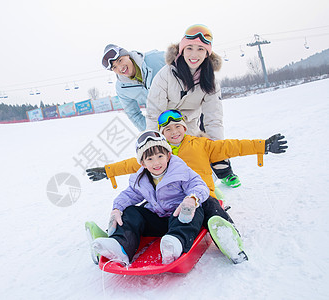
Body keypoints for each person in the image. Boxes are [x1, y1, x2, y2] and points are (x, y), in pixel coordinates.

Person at [86, 109, 288, 264]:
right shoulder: (156, 153)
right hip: (168, 207)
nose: (174, 132)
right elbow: (131, 166)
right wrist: (107, 171)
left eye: (177, 127)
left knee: (211, 208)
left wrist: (263, 145)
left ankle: (229, 238)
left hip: (201, 198)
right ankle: (113, 239)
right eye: (168, 130)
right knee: (134, 212)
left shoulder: (202, 145)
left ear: (184, 127)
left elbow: (232, 146)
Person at [91, 130, 209, 265]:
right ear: (143, 163)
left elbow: (199, 185)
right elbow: (128, 195)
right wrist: (117, 209)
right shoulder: (141, 179)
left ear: (168, 155)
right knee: (131, 211)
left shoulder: (181, 171)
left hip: (180, 217)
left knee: (195, 209)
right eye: (150, 159)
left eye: (160, 156)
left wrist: (191, 199)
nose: (156, 163)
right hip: (158, 220)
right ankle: (120, 246)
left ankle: (175, 243)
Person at [144, 24, 240, 188]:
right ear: (181, 50)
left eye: (201, 49)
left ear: (207, 53)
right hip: (166, 124)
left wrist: (217, 150)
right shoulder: (165, 76)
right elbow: (154, 113)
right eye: (189, 48)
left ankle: (222, 174)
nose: (194, 55)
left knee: (197, 155)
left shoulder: (210, 80)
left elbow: (213, 118)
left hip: (189, 125)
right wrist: (153, 145)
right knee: (169, 160)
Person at [102, 44, 165, 131]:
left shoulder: (155, 58)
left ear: (127, 55)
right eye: (114, 67)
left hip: (186, 113)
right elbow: (133, 114)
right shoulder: (122, 88)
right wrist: (151, 131)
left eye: (120, 60)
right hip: (164, 124)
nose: (120, 68)